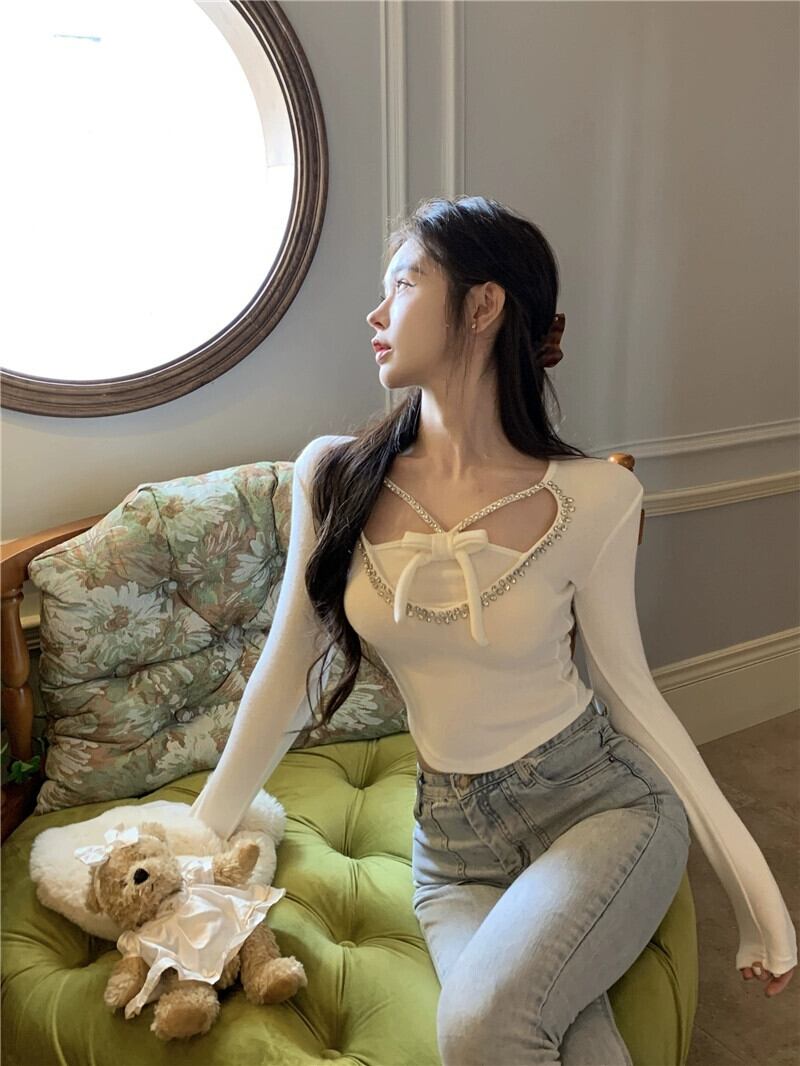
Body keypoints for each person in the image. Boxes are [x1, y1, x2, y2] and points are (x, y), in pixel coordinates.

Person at [189, 195, 796, 1063]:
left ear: (482, 306)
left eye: (403, 284)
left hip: (600, 807)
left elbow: (635, 699)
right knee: (553, 1036)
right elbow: (287, 672)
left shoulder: (595, 497)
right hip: (451, 849)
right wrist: (198, 838)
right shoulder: (334, 475)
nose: (375, 314)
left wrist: (757, 896)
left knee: (480, 1027)